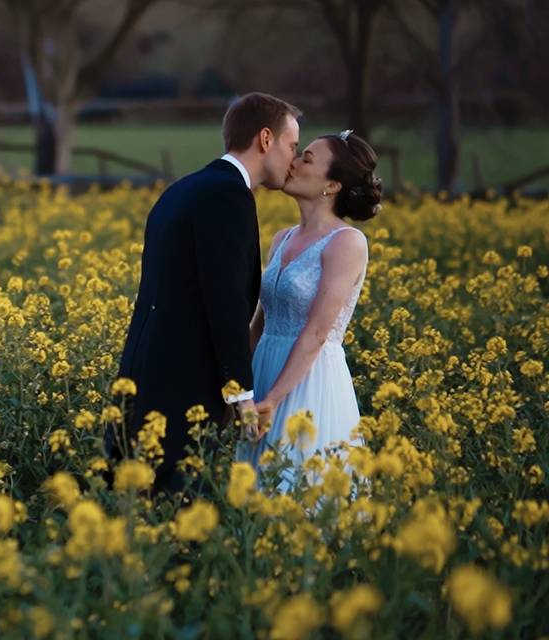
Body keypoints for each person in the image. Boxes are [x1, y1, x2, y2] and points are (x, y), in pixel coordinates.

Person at [105, 92, 302, 494]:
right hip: (184, 386)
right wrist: (241, 396)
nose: (294, 159)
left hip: (144, 374)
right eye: (292, 145)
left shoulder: (183, 189)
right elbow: (224, 301)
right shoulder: (228, 197)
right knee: (179, 510)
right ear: (266, 139)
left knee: (138, 506)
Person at [236, 129, 381, 491]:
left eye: (308, 158)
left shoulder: (347, 243)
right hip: (265, 371)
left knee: (298, 489)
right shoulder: (281, 238)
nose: (294, 161)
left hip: (308, 381)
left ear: (331, 186)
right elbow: (260, 321)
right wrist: (241, 389)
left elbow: (317, 333)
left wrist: (272, 401)